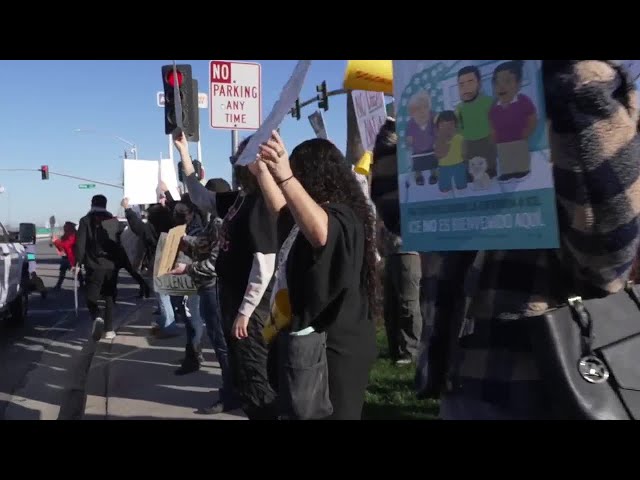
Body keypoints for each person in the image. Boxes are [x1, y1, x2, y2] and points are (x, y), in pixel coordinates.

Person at [371, 60, 640, 419]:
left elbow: (606, 259)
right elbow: (407, 218)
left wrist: (574, 83)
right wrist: (403, 116)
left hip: (549, 383)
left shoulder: (588, 99)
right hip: (463, 376)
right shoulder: (457, 101)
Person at [255, 132, 378, 420]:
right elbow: (282, 211)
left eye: (298, 174)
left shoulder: (343, 216)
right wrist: (262, 170)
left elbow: (322, 233)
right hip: (310, 345)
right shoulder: (307, 216)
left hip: (335, 350)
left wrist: (285, 177)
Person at [175, 132, 279, 420]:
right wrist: (184, 153)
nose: (235, 163)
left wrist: (245, 312)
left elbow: (265, 263)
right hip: (234, 295)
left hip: (253, 305)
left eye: (240, 159)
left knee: (255, 375)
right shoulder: (240, 200)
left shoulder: (261, 203)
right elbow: (200, 195)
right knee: (245, 373)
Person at [171, 177, 242, 414]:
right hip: (212, 287)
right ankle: (232, 389)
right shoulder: (219, 218)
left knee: (222, 345)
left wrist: (187, 269)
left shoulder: (221, 219)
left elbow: (213, 262)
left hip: (215, 287)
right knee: (221, 343)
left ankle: (232, 394)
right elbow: (207, 242)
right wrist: (186, 240)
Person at [75, 195, 124, 341]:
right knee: (109, 296)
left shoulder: (85, 220)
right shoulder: (112, 220)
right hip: (110, 265)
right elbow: (117, 244)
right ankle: (109, 330)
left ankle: (96, 316)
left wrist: (78, 262)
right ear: (105, 204)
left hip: (93, 265)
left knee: (91, 295)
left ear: (92, 204)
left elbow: (80, 244)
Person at [52, 221, 84, 290]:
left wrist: (56, 241)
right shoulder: (66, 235)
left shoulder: (73, 235)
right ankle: (58, 285)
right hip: (66, 256)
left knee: (77, 272)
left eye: (66, 226)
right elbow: (61, 247)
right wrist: (56, 243)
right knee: (63, 271)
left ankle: (82, 285)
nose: (64, 227)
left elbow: (65, 245)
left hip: (72, 257)